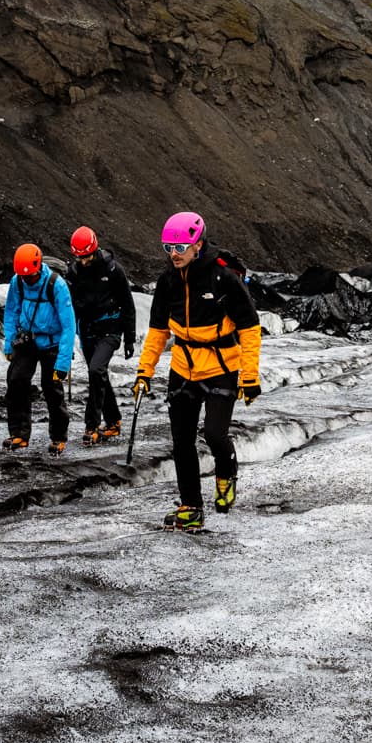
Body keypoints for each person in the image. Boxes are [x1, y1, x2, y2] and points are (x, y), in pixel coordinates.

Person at [132, 210, 263, 532]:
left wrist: (250, 375)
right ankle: (191, 506)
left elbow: (249, 328)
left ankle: (226, 474)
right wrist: (144, 373)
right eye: (168, 247)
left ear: (197, 244)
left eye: (179, 247)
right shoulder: (166, 282)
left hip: (221, 366)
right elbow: (158, 333)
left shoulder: (223, 278)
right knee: (181, 442)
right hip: (183, 367)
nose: (174, 254)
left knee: (215, 434)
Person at [2, 243, 76, 454]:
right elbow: (11, 312)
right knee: (16, 382)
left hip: (52, 343)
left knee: (52, 388)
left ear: (38, 268)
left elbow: (69, 325)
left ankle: (58, 437)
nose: (27, 280)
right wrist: (9, 343)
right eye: (24, 276)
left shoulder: (57, 285)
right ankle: (19, 434)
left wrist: (63, 363)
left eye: (31, 276)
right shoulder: (18, 282)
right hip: (27, 342)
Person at [66, 225, 136, 446]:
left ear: (94, 250)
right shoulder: (74, 272)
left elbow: (128, 303)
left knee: (96, 370)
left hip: (111, 329)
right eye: (79, 257)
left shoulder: (114, 270)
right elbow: (69, 306)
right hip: (87, 330)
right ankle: (114, 421)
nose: (83, 261)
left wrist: (129, 338)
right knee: (98, 374)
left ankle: (92, 425)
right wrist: (67, 339)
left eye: (86, 256)